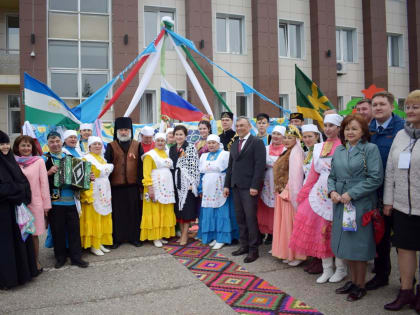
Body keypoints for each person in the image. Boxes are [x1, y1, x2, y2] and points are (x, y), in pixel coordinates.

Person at [328, 114, 383, 302]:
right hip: (341, 202)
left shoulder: (370, 149)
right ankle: (352, 280)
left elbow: (375, 178)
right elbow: (332, 176)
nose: (350, 132)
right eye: (347, 128)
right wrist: (332, 192)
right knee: (345, 243)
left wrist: (352, 193)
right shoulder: (340, 151)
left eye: (354, 129)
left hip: (359, 202)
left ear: (363, 132)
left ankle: (360, 284)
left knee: (358, 245)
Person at [289, 114, 346, 283]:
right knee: (320, 233)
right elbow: (313, 173)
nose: (328, 128)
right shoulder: (320, 147)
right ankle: (327, 268)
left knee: (337, 232)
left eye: (331, 125)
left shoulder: (344, 146)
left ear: (339, 127)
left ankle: (341, 268)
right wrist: (303, 193)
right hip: (320, 193)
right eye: (325, 125)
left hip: (338, 191)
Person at [383, 91, 420, 312]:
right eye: (407, 107)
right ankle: (405, 291)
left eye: (415, 107)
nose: (410, 111)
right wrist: (388, 201)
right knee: (404, 249)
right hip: (401, 206)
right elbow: (390, 170)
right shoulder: (400, 135)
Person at [366, 91, 405, 291]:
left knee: (402, 240)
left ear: (391, 106)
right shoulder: (369, 128)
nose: (378, 108)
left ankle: (407, 282)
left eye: (382, 104)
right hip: (375, 192)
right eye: (375, 105)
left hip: (398, 192)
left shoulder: (402, 128)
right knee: (380, 236)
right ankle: (381, 275)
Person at [223, 116, 266, 263]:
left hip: (249, 188)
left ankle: (254, 250)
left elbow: (260, 166)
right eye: (238, 126)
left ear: (249, 126)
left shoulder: (257, 142)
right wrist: (226, 185)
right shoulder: (235, 143)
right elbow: (231, 166)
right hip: (235, 186)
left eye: (242, 125)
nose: (240, 128)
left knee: (250, 218)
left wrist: (255, 186)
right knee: (240, 218)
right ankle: (244, 245)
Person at [43, 131, 88, 268]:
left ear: (61, 142)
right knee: (58, 231)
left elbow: (79, 177)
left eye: (57, 141)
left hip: (71, 201)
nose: (55, 144)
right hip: (55, 202)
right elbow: (38, 180)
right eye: (52, 141)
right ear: (48, 144)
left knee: (74, 230)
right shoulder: (44, 159)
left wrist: (87, 178)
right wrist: (48, 173)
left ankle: (76, 257)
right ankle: (60, 257)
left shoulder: (70, 157)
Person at [0, 130, 38, 289]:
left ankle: (23, 274)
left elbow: (23, 183)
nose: (5, 147)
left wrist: (18, 192)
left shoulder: (11, 161)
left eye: (6, 143)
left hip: (16, 211)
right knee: (6, 246)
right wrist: (14, 191)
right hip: (2, 213)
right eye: (1, 144)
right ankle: (8, 279)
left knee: (20, 243)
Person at [13, 135, 51, 273]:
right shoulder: (12, 161)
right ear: (17, 147)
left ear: (32, 148)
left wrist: (46, 205)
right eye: (23, 145)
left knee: (34, 234)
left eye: (28, 145)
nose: (26, 148)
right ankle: (23, 264)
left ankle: (35, 261)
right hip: (18, 204)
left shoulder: (39, 161)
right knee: (20, 234)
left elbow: (44, 184)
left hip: (35, 203)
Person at [105, 117, 144, 248]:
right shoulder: (111, 146)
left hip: (133, 186)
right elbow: (107, 167)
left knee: (134, 213)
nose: (123, 132)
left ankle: (135, 238)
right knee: (117, 214)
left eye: (126, 130)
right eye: (121, 130)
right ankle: (117, 239)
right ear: (117, 131)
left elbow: (141, 166)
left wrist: (140, 184)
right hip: (116, 187)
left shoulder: (137, 145)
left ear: (130, 131)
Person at [272, 125, 306, 266]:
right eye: (285, 137)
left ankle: (296, 255)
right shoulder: (288, 151)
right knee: (285, 225)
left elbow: (296, 176)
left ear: (297, 139)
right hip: (282, 192)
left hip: (289, 193)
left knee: (290, 225)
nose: (286, 140)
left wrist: (288, 191)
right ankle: (288, 252)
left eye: (290, 137)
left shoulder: (296, 152)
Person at [197, 134, 238, 250]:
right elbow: (201, 174)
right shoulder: (204, 156)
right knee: (210, 212)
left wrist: (228, 186)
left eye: (213, 143)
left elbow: (230, 171)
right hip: (207, 188)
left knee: (221, 212)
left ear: (218, 144)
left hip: (220, 187)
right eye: (209, 143)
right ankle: (214, 236)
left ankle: (222, 238)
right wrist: (200, 188)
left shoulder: (225, 154)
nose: (211, 145)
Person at [141, 133, 176, 248]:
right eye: (158, 141)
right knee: (155, 210)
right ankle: (155, 237)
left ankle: (160, 235)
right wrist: (150, 188)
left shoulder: (166, 154)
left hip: (166, 187)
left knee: (164, 210)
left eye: (162, 141)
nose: (160, 143)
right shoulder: (150, 155)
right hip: (155, 186)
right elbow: (146, 173)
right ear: (154, 142)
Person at [80, 136, 113, 256]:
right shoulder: (86, 159)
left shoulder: (102, 159)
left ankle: (100, 242)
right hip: (93, 191)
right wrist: (87, 195)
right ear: (89, 147)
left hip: (104, 190)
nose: (97, 146)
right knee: (94, 217)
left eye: (99, 144)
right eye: (94, 144)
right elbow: (85, 179)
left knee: (103, 215)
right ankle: (93, 244)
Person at [296, 124, 322, 274]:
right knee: (310, 226)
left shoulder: (320, 152)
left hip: (317, 191)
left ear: (317, 136)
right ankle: (313, 257)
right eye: (304, 137)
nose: (307, 140)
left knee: (318, 227)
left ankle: (320, 259)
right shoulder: (308, 152)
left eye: (310, 136)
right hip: (307, 190)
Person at [169, 125, 200, 245]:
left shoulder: (190, 148)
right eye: (176, 134)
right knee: (179, 210)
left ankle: (185, 235)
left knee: (187, 210)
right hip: (175, 182)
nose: (178, 136)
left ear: (185, 136)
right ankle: (183, 233)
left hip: (187, 183)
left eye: (181, 134)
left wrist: (193, 183)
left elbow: (194, 167)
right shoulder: (171, 149)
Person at [257, 125, 286, 245]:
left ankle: (277, 233)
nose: (275, 136)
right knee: (266, 208)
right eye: (274, 134)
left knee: (278, 207)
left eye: (278, 134)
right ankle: (269, 233)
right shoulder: (265, 148)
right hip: (266, 180)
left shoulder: (286, 150)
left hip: (280, 181)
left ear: (283, 137)